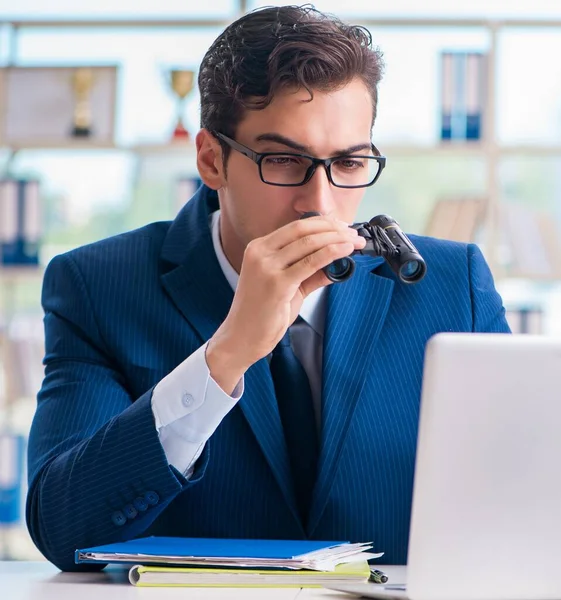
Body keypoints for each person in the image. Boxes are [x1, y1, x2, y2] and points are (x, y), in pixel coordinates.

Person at [26, 5, 510, 572]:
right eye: (283, 159)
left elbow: (524, 496)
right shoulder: (97, 285)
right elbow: (63, 532)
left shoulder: (455, 285)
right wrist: (223, 358)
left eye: (350, 162)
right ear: (211, 159)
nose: (319, 203)